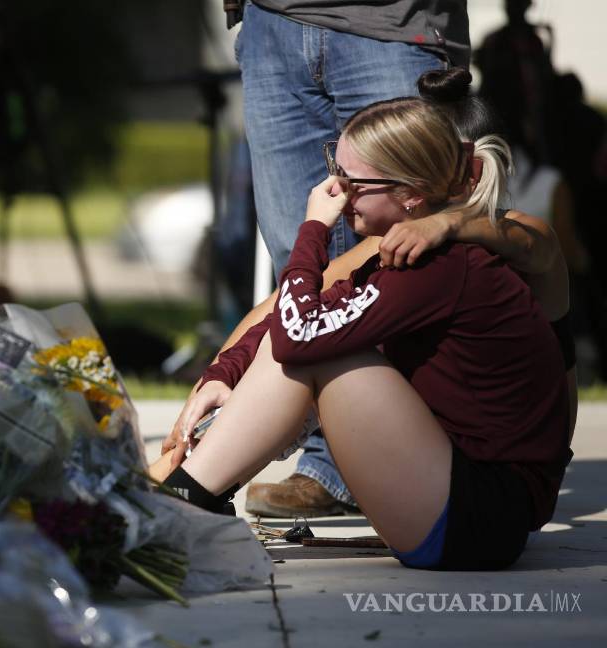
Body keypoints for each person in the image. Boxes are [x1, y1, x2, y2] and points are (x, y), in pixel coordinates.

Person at [151, 92, 571, 570]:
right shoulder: (405, 255)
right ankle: (183, 501)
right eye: (336, 170)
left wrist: (313, 231)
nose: (335, 190)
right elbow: (292, 316)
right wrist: (223, 373)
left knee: (321, 350)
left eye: (352, 181)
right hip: (465, 508)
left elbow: (297, 335)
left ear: (412, 193)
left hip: (478, 524)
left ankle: (173, 511)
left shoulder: (437, 266)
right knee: (316, 335)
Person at [230, 0, 471, 517]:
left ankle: (416, 458)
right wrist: (221, 374)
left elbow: (507, 230)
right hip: (272, 20)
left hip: (392, 22)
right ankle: (330, 458)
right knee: (295, 257)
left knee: (405, 250)